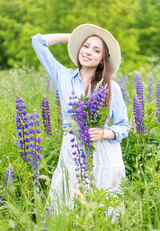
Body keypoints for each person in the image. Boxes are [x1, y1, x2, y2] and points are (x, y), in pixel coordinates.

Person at [32, 24, 130, 207]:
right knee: (68, 206)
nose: (88, 52)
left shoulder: (110, 87)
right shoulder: (63, 77)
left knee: (103, 209)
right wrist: (74, 37)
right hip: (72, 150)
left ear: (102, 59)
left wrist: (104, 133)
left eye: (96, 50)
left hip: (103, 153)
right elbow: (37, 42)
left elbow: (124, 126)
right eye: (85, 46)